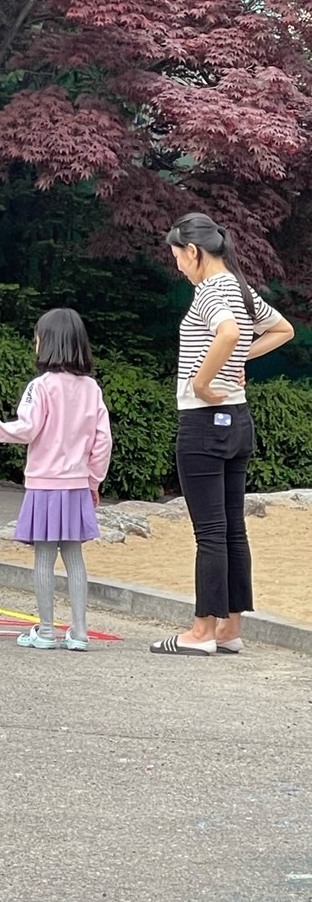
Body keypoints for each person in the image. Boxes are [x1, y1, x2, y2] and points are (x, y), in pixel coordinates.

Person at [150, 212, 294, 656]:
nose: (177, 265)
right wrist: (238, 362)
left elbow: (228, 332)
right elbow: (282, 329)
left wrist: (202, 382)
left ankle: (201, 632)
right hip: (237, 420)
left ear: (193, 251)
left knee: (209, 532)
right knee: (232, 528)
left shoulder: (211, 290)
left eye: (178, 256)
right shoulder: (240, 288)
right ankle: (229, 629)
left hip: (203, 421)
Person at [0, 308, 112, 651]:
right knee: (74, 557)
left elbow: (26, 429)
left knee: (44, 557)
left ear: (47, 343)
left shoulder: (40, 387)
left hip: (44, 484)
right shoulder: (91, 388)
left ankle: (45, 631)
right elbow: (103, 440)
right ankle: (80, 632)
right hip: (77, 484)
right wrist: (93, 481)